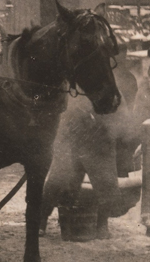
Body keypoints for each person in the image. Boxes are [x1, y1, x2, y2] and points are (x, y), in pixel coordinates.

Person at [40, 44, 142, 239]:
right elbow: (62, 109)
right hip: (72, 139)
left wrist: (113, 130)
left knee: (106, 186)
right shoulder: (75, 83)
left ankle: (101, 226)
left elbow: (122, 115)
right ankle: (41, 221)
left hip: (100, 143)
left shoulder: (117, 85)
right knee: (57, 182)